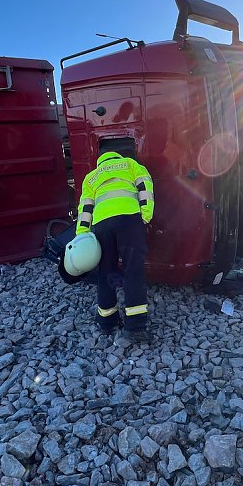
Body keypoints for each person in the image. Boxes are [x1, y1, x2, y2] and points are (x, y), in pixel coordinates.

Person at [75, 143, 155, 343]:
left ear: (100, 161)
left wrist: (82, 233)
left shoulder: (91, 177)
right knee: (133, 271)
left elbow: (85, 206)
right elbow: (145, 187)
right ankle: (135, 328)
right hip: (129, 219)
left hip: (102, 224)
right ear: (117, 157)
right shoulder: (130, 164)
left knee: (106, 271)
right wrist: (145, 216)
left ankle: (107, 321)